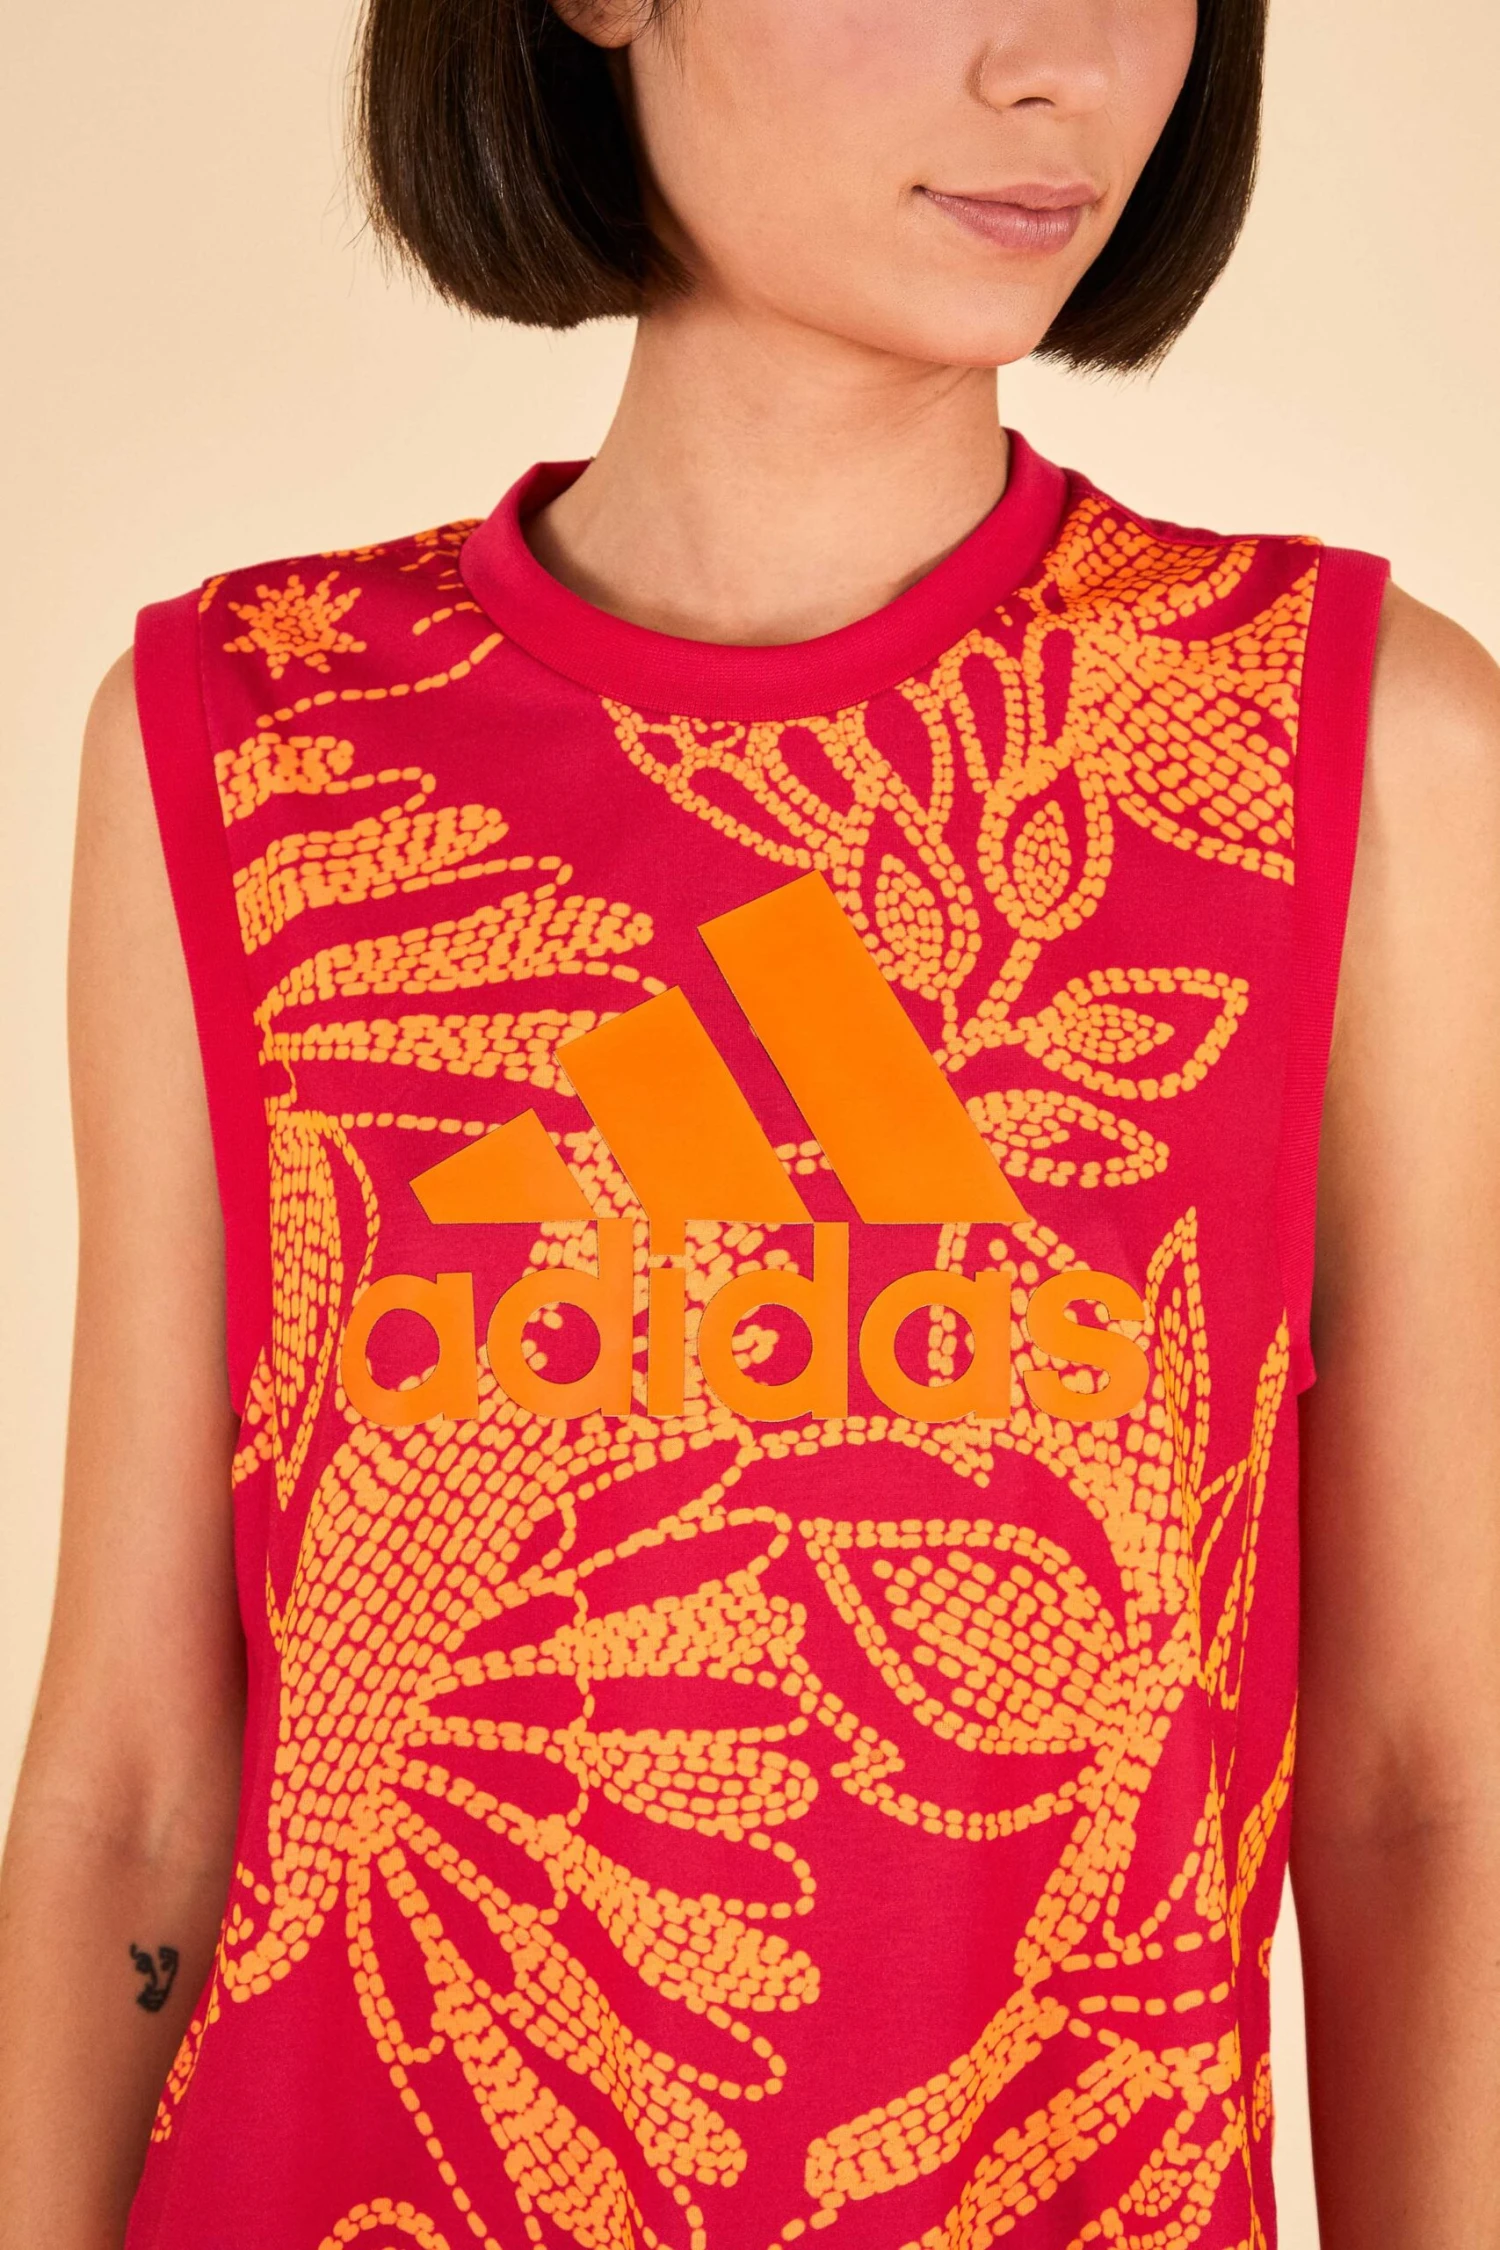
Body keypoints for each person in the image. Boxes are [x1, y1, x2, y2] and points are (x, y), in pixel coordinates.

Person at [3, 0, 1499, 2243]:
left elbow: (1415, 1794)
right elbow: (134, 1783)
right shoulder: (242, 742)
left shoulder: (1351, 749)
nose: (1067, 67)